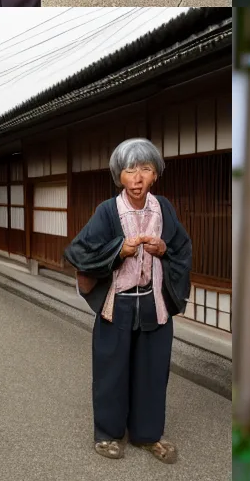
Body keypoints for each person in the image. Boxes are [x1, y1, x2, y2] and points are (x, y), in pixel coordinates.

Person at [63, 138, 192, 464]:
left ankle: (147, 435)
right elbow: (78, 251)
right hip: (117, 304)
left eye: (145, 169)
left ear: (155, 176)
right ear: (118, 175)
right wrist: (118, 251)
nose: (137, 177)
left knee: (152, 371)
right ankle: (107, 433)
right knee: (112, 370)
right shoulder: (107, 212)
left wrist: (163, 250)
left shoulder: (164, 208)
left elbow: (182, 248)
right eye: (129, 170)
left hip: (153, 303)